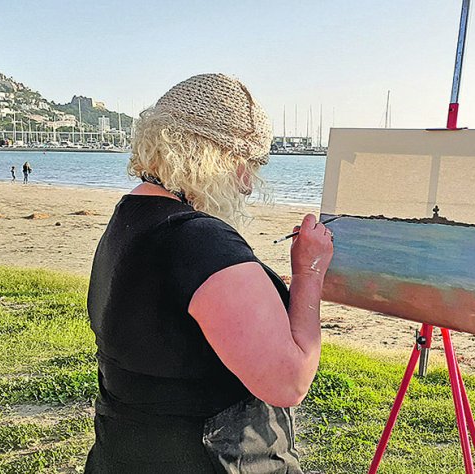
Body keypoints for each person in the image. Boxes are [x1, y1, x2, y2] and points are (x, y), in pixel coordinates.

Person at [84, 74, 333, 473]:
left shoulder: (131, 215)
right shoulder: (200, 242)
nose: (248, 185)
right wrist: (310, 271)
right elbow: (290, 381)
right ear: (209, 155)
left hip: (126, 453)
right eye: (246, 165)